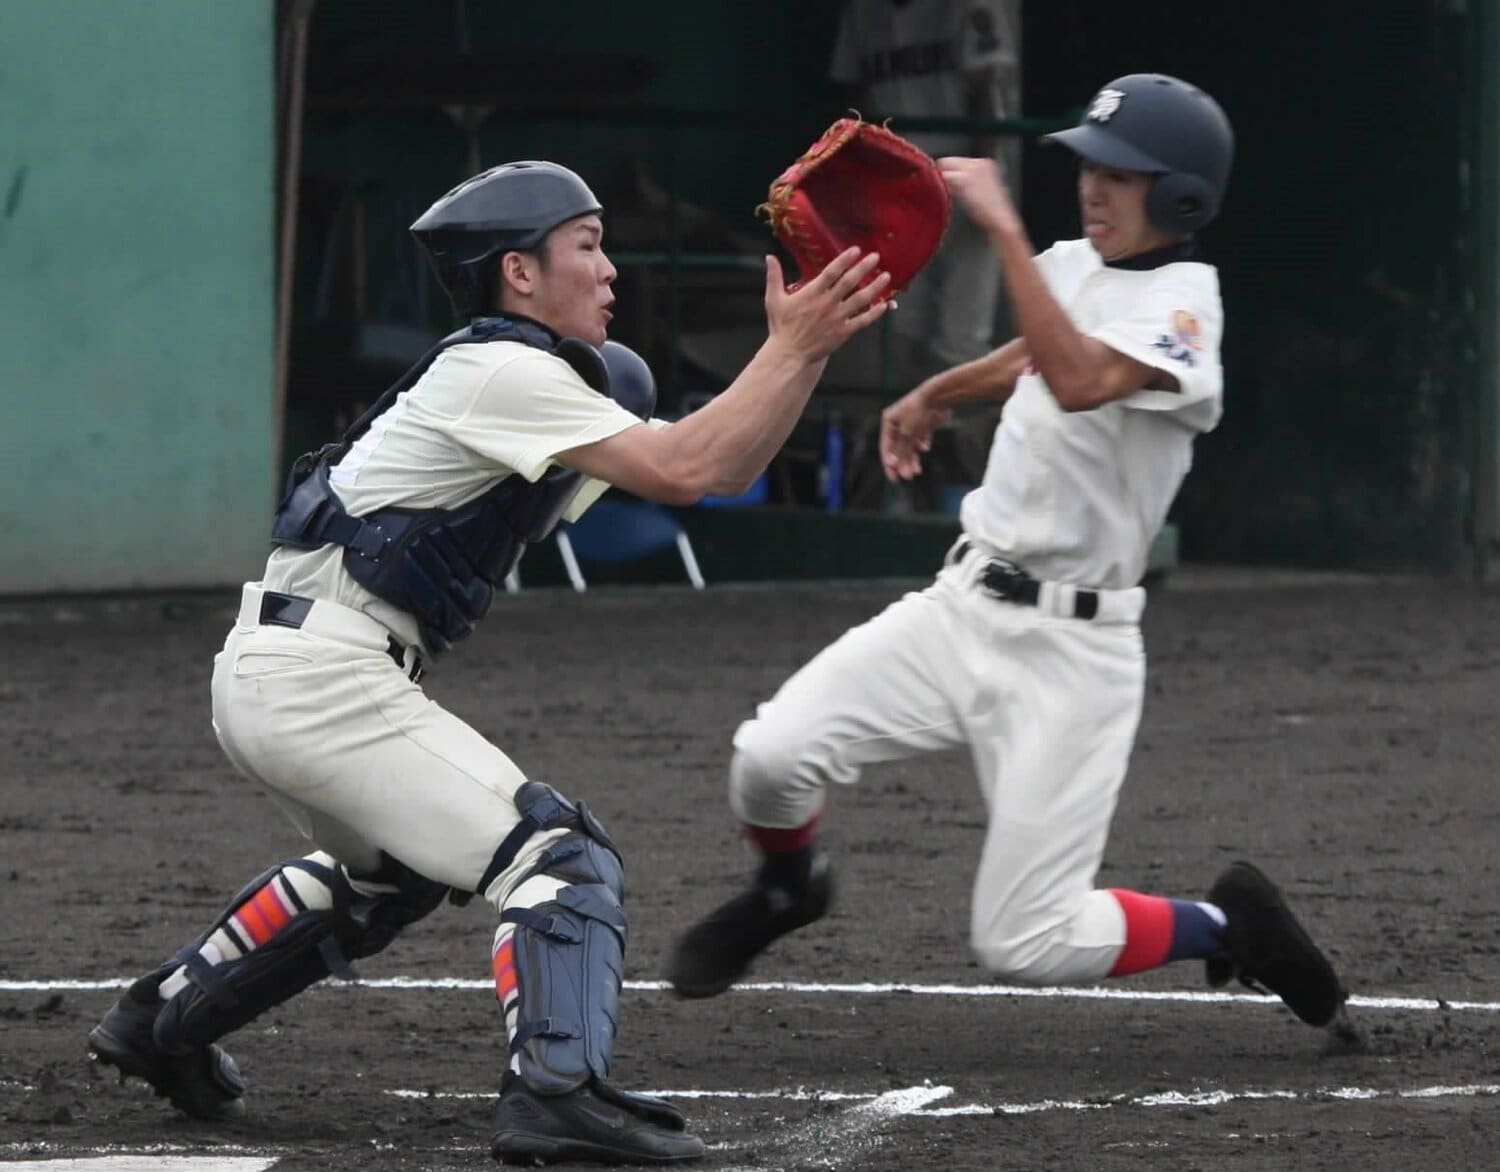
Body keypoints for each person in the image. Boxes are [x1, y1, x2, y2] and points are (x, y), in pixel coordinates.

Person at [85, 159, 892, 1165]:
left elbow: (713, 462)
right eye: (587, 244)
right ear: (518, 270)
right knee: (560, 855)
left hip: (287, 665)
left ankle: (165, 1018)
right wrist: (792, 343)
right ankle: (556, 1090)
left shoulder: (507, 383)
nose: (609, 269)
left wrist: (803, 350)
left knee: (389, 876)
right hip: (322, 675)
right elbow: (688, 464)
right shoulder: (503, 371)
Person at [667, 76, 1352, 1039]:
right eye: (1090, 167)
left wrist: (1002, 232)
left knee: (1026, 941)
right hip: (962, 605)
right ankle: (789, 890)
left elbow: (1077, 377)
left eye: (1122, 174)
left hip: (1074, 658)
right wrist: (936, 394)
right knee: (769, 760)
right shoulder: (1073, 266)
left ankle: (1224, 925)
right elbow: (1034, 350)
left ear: (1183, 197)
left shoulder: (1189, 308)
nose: (1094, 187)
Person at [829, 0, 1022, 391]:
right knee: (900, 324)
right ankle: (902, 428)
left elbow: (988, 91)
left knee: (962, 330)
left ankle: (953, 440)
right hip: (896, 178)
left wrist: (983, 175)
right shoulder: (865, 12)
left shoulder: (971, 7)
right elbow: (854, 99)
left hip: (957, 167)